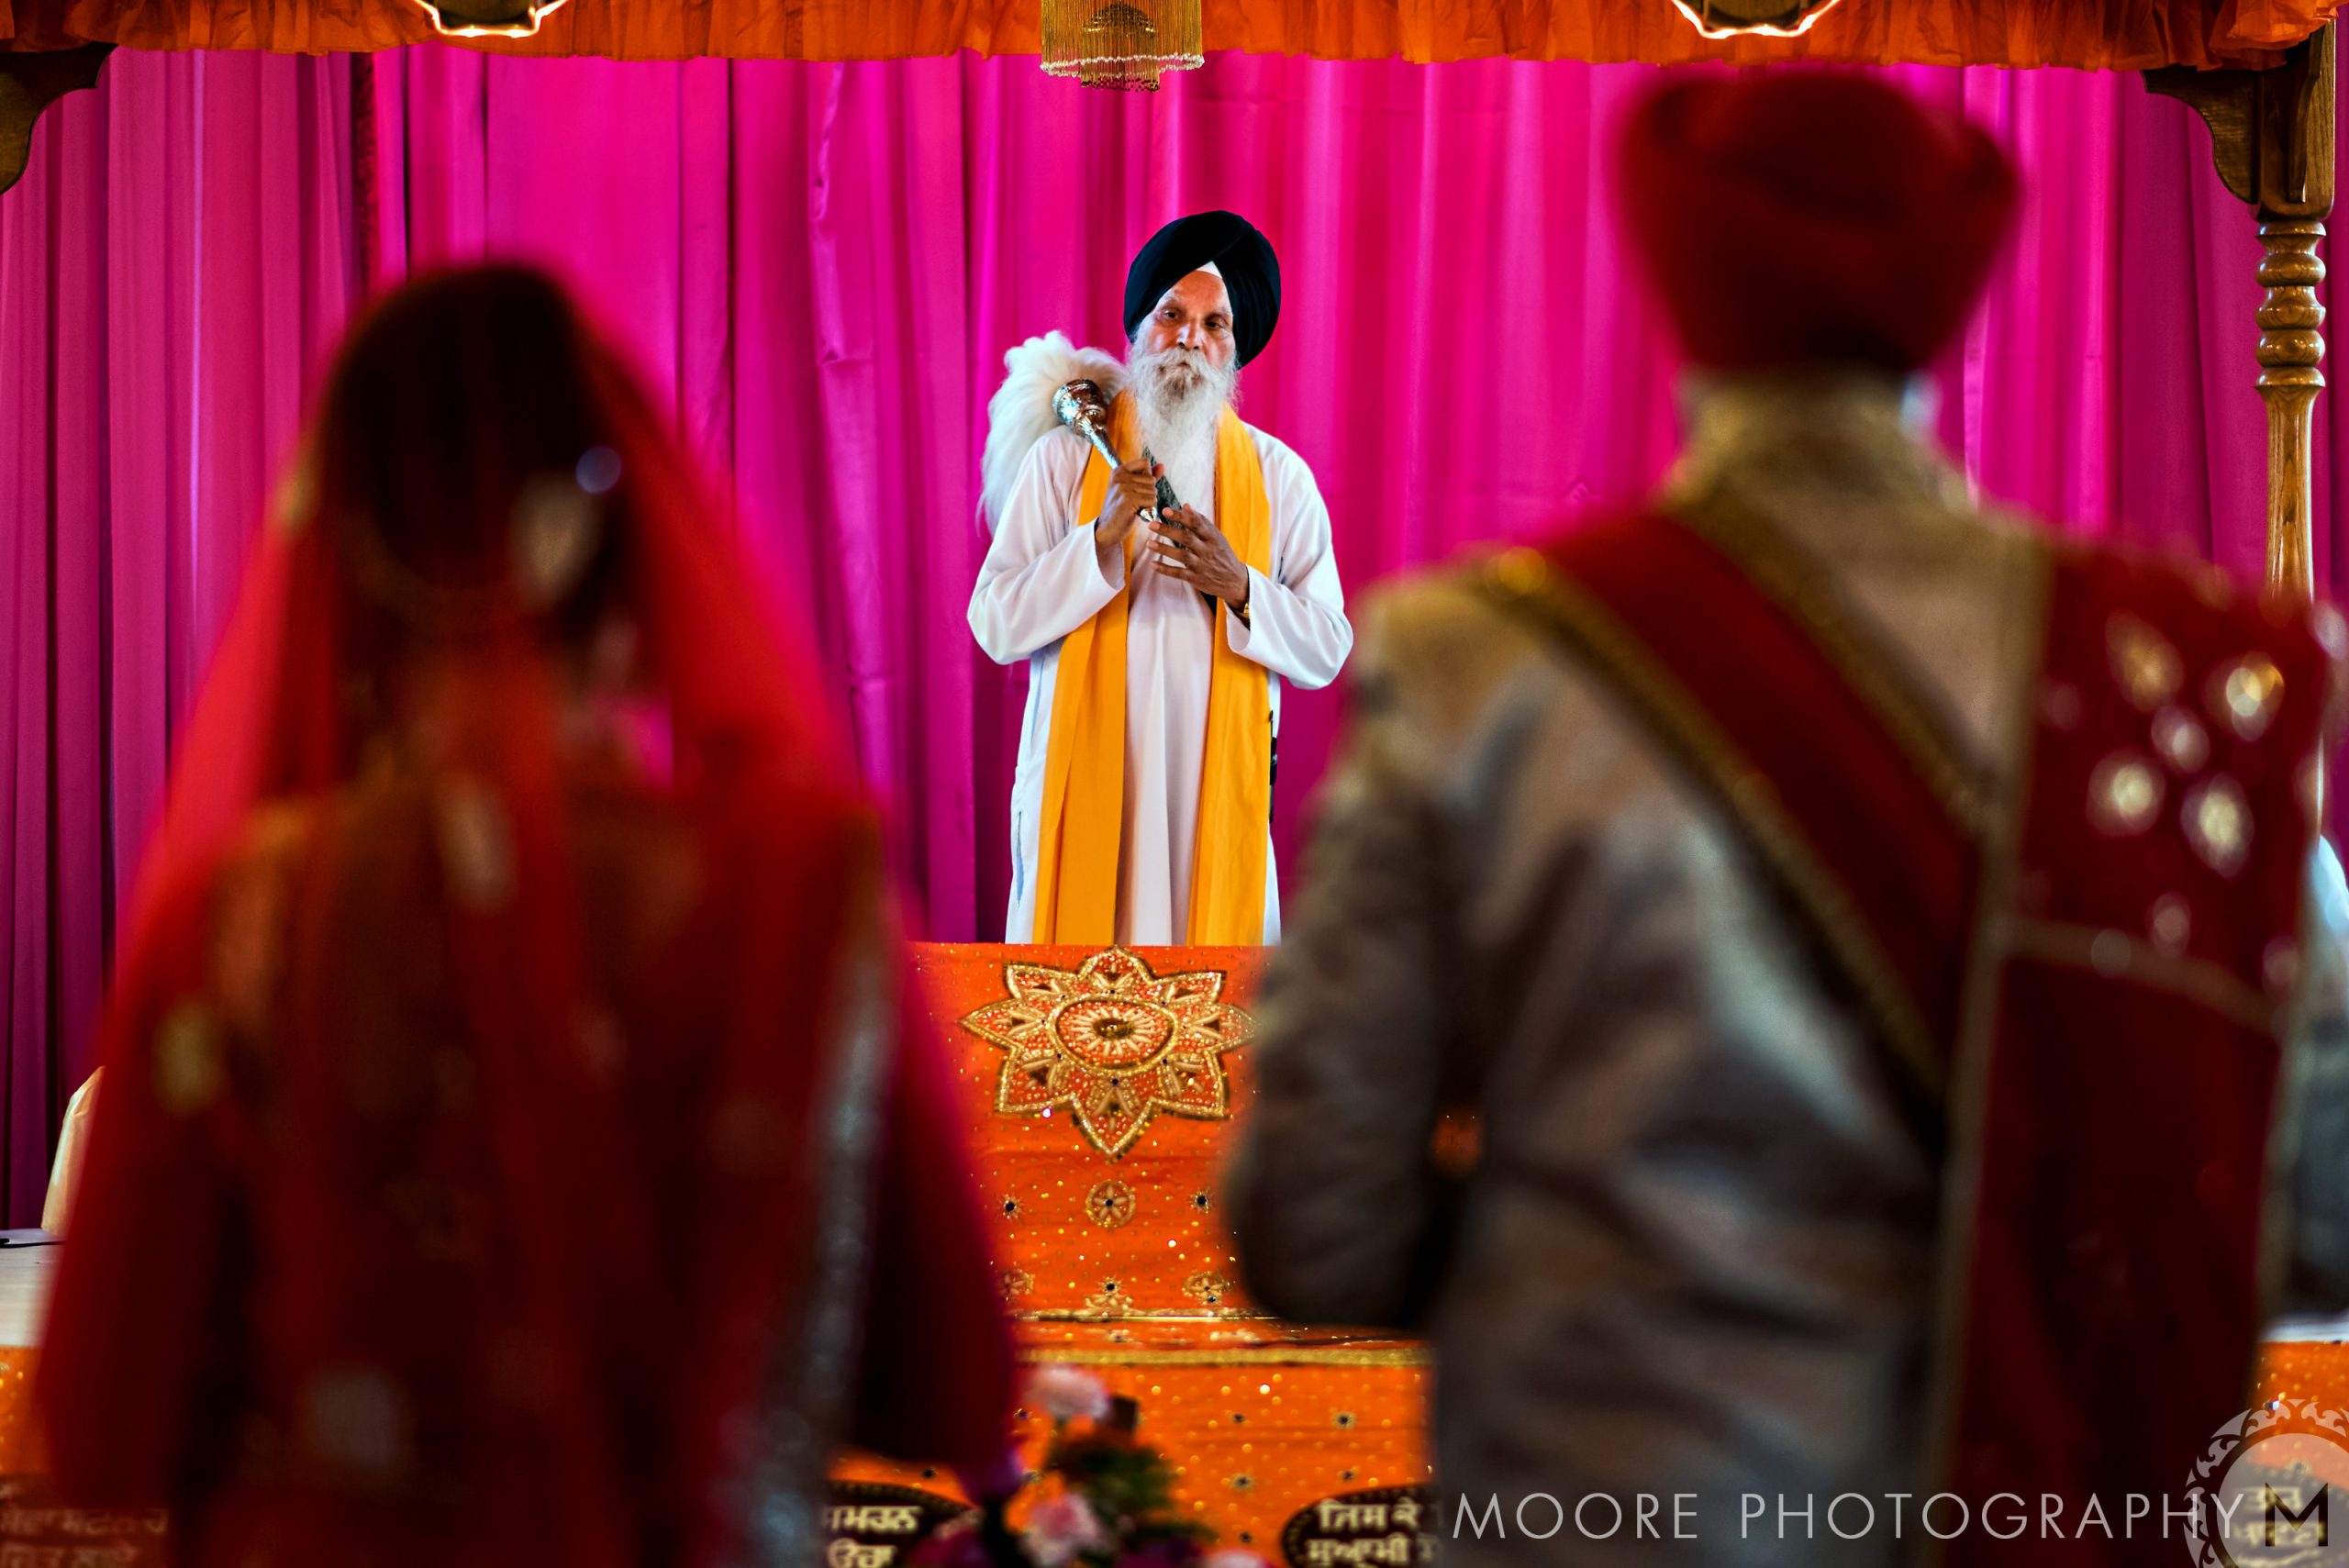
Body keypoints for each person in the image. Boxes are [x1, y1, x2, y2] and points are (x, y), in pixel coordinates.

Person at [1226, 73, 2349, 1566]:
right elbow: (2327, 1206)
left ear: (1681, 283)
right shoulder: (2165, 681)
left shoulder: (1472, 665)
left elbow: (1314, 1221)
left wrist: (1585, 1265)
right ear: (1947, 300)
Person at [37, 266, 1015, 1568]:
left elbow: (103, 1430)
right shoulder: (802, 902)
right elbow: (947, 1387)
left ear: (340, 572)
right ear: (633, 571)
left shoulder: (238, 922)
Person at [970, 212, 1353, 946]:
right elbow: (994, 622)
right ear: (1139, 331)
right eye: (1171, 314)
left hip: (1212, 803)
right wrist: (1101, 536)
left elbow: (1329, 646)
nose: (1190, 339)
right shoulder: (1066, 463)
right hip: (1084, 791)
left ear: (1234, 350)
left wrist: (1240, 585)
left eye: (1215, 324)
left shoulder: (1280, 479)